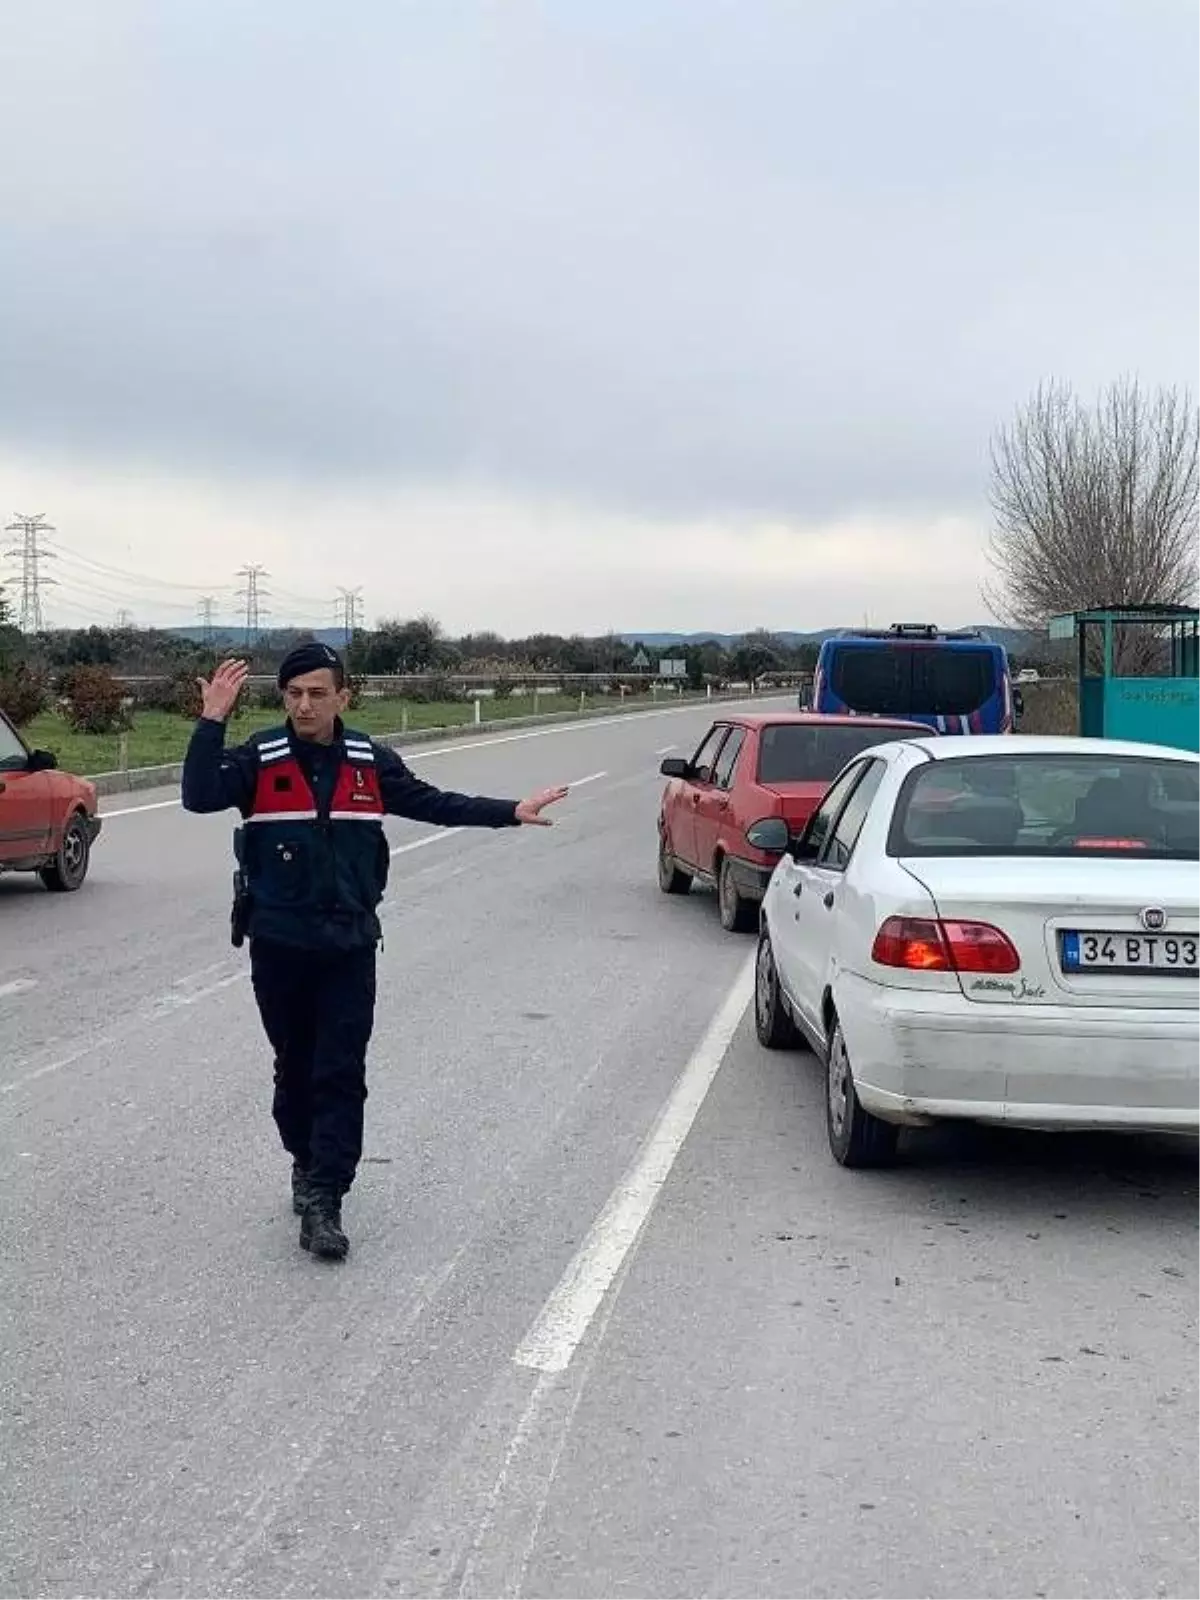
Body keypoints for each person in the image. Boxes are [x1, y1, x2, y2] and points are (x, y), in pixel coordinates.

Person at [181, 643, 568, 1262]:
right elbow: (199, 795)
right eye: (293, 694)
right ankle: (307, 1162)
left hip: (349, 946)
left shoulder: (368, 761)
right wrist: (212, 721)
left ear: (343, 696)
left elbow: (434, 802)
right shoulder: (260, 758)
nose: (304, 705)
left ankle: (327, 1196)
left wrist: (509, 812)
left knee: (340, 1071)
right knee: (294, 1067)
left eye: (316, 693)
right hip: (280, 946)